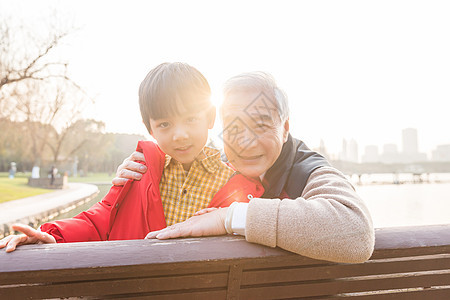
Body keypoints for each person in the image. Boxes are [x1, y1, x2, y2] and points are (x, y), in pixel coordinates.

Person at [115, 72, 375, 263]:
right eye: (235, 126)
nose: (246, 141)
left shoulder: (308, 171)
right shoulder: (220, 173)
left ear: (285, 128)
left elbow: (357, 233)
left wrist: (230, 217)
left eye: (261, 125)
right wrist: (138, 178)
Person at [0, 62, 258, 252]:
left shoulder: (240, 187)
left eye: (191, 119)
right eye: (165, 124)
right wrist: (49, 234)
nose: (180, 135)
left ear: (211, 117)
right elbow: (99, 221)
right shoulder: (139, 170)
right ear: (150, 128)